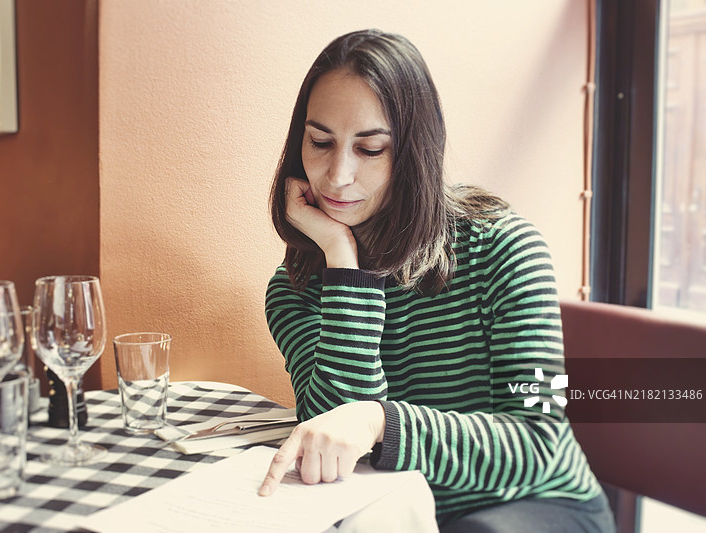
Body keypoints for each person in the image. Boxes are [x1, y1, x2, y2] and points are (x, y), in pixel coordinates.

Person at [258, 29, 615, 533]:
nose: (337, 175)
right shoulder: (294, 289)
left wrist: (380, 423)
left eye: (370, 149)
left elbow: (540, 442)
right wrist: (344, 264)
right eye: (320, 142)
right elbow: (338, 442)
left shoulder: (504, 247)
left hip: (534, 504)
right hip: (390, 511)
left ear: (412, 151)